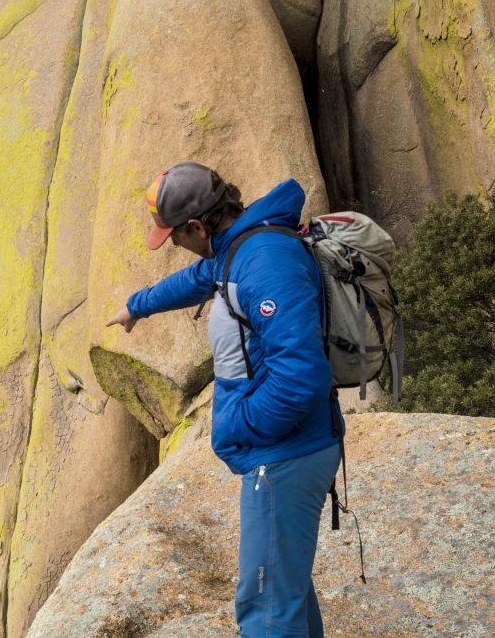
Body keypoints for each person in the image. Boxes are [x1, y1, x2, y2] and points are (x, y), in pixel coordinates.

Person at [106, 162, 343, 638]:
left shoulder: (265, 261)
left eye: (174, 236)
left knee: (265, 613)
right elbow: (198, 278)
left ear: (196, 226)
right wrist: (138, 305)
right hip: (285, 450)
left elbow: (300, 377)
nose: (173, 246)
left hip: (283, 456)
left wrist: (236, 428)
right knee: (284, 592)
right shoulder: (238, 247)